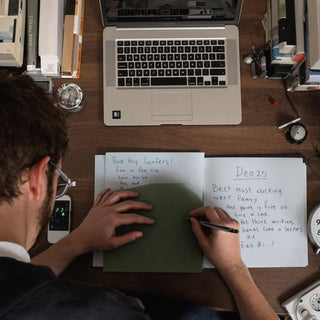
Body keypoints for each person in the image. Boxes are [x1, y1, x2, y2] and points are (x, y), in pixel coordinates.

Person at [0, 71, 278, 320]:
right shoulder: (101, 310)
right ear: (37, 178)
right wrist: (234, 267)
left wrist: (76, 242)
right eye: (57, 177)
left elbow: (15, 286)